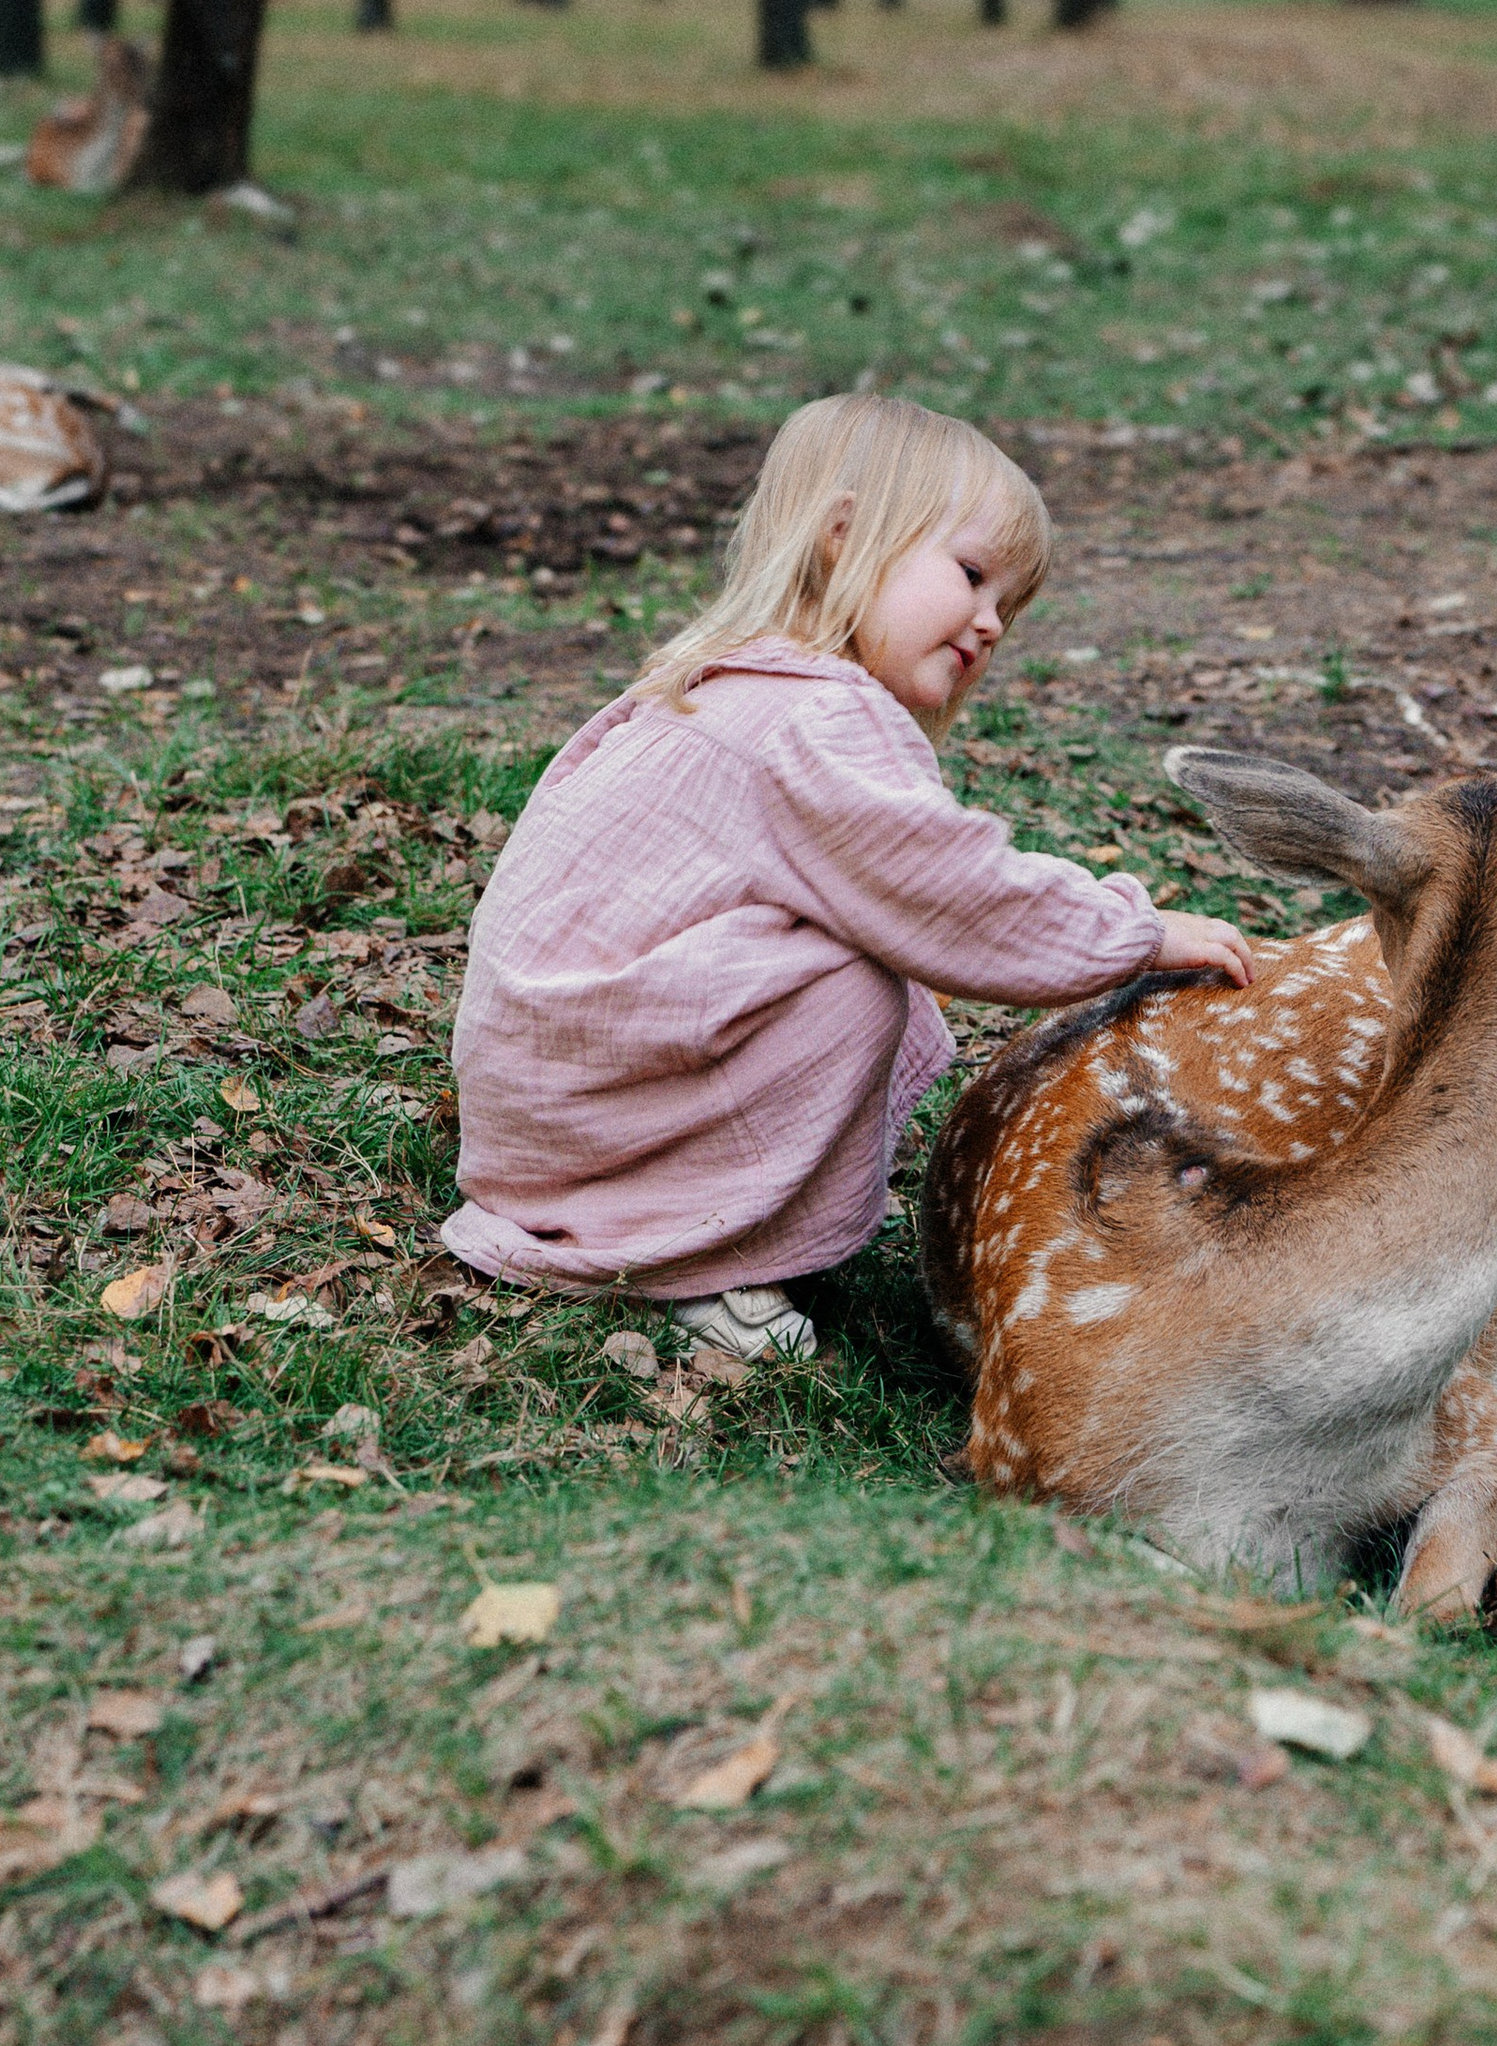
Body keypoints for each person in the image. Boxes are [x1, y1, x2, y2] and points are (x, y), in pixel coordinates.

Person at [440, 390, 1252, 1361]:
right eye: (971, 574)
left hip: (547, 1099)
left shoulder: (726, 684)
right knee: (854, 971)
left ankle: (638, 1203)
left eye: (1009, 605)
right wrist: (1135, 933)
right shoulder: (819, 721)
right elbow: (956, 894)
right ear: (840, 537)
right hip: (592, 1097)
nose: (990, 623)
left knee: (844, 938)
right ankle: (694, 1261)